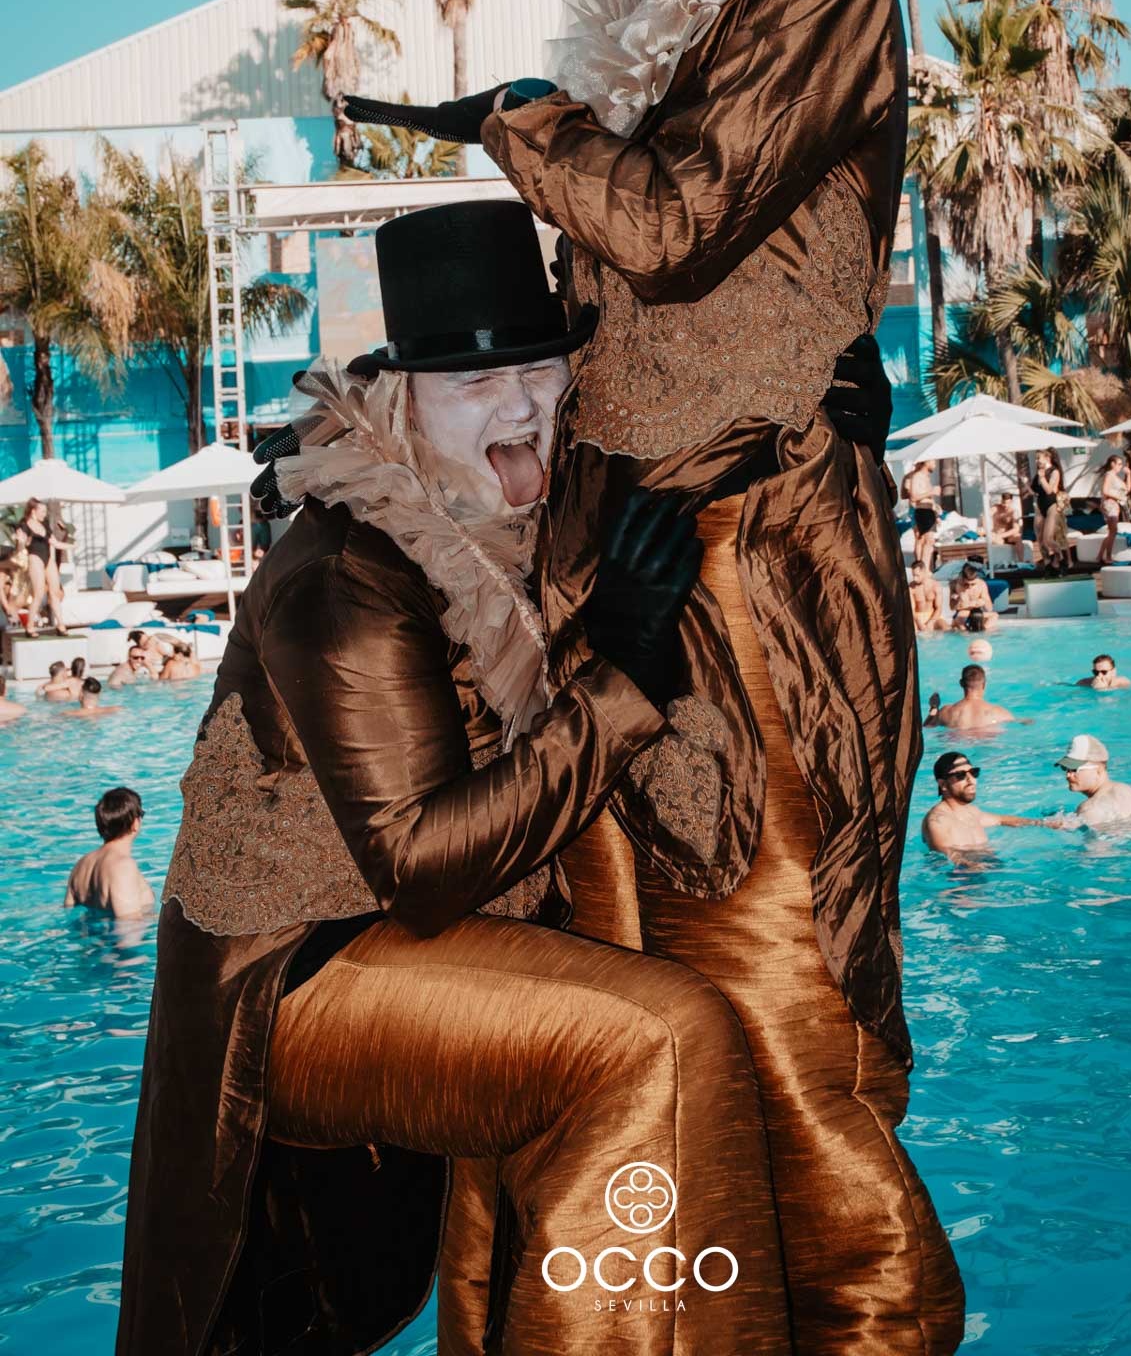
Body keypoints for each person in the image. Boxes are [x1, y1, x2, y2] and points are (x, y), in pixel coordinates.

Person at [347, 0, 963, 1350]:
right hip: (621, 596)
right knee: (635, 1026)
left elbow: (676, 220)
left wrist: (524, 122)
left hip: (758, 579)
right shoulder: (652, 44)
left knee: (784, 1016)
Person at [118, 202, 794, 1356]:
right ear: (401, 398)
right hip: (291, 980)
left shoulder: (519, 530)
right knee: (659, 1036)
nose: (520, 405)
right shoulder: (344, 573)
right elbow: (421, 869)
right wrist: (620, 674)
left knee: (677, 1015)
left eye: (537, 369)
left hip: (424, 948)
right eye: (476, 383)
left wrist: (804, 437)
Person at [921, 751, 1051, 852]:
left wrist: (1043, 823)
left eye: (973, 773)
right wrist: (974, 868)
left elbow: (1001, 820)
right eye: (960, 775)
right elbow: (948, 855)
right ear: (943, 784)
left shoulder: (971, 812)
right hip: (964, 876)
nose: (971, 780)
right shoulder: (937, 821)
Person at [63, 787, 155, 917]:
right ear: (135, 823)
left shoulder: (81, 865)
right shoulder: (123, 866)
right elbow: (128, 924)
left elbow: (69, 913)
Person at [1048, 734, 1131, 827]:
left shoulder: (1089, 809)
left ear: (1098, 770)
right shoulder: (1126, 790)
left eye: (1074, 769)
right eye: (1065, 768)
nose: (1068, 775)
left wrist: (1040, 824)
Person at [20, 498, 70, 634]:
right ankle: (30, 626)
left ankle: (61, 625)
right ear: (33, 511)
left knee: (55, 592)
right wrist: (22, 541)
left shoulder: (45, 523)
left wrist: (71, 545)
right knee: (39, 592)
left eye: (45, 511)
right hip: (35, 557)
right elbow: (21, 544)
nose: (44, 514)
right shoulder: (24, 525)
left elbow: (54, 543)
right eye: (42, 511)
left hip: (48, 558)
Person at [927, 663, 1020, 734]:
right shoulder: (1000, 713)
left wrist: (934, 708)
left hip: (957, 745)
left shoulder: (945, 712)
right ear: (984, 684)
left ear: (961, 683)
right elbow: (1019, 722)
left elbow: (927, 727)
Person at [1033, 449, 1070, 573]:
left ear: (1047, 458)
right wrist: (1025, 483)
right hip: (1040, 505)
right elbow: (1035, 491)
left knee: (1048, 539)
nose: (1036, 461)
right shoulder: (1039, 473)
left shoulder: (1054, 471)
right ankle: (1048, 563)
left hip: (1050, 505)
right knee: (1039, 539)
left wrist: (1042, 478)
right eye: (1036, 458)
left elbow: (1049, 491)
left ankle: (1061, 558)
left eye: (1038, 458)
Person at [905, 459, 941, 573]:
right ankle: (923, 569)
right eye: (933, 462)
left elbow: (928, 498)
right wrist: (931, 492)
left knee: (930, 541)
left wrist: (935, 512)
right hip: (922, 510)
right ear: (926, 462)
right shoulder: (917, 476)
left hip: (929, 510)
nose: (935, 465)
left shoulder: (926, 477)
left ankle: (925, 568)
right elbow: (913, 496)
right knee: (925, 540)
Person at [1099, 453, 1131, 565]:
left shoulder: (1116, 477)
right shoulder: (1109, 475)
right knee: (1113, 531)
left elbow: (1127, 489)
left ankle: (1100, 555)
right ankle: (1108, 556)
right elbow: (1105, 491)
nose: (1120, 466)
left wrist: (1129, 474)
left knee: (1111, 532)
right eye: (1119, 464)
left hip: (1115, 505)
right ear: (1112, 464)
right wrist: (1118, 497)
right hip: (1110, 504)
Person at [951, 562, 1000, 631]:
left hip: (977, 611)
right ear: (963, 578)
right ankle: (965, 632)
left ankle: (983, 630)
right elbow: (952, 607)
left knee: (994, 616)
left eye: (973, 584)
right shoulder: (955, 584)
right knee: (959, 619)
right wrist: (957, 600)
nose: (970, 587)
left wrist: (983, 602)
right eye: (966, 584)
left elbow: (989, 608)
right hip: (962, 612)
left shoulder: (981, 584)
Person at [910, 559, 950, 632]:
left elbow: (939, 608)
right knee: (912, 630)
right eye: (913, 575)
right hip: (917, 617)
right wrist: (919, 623)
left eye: (917, 575)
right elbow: (911, 610)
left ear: (924, 572)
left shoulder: (935, 586)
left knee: (946, 627)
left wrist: (931, 621)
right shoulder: (911, 588)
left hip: (932, 615)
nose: (915, 579)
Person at [990, 489, 1026, 564]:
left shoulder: (1013, 512)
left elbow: (1016, 529)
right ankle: (1000, 564)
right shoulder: (996, 508)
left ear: (1011, 502)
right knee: (996, 540)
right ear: (1001, 501)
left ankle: (1021, 562)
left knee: (1018, 537)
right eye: (1004, 503)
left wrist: (1002, 535)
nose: (1005, 505)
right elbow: (985, 516)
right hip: (997, 535)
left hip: (1008, 536)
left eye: (1008, 503)